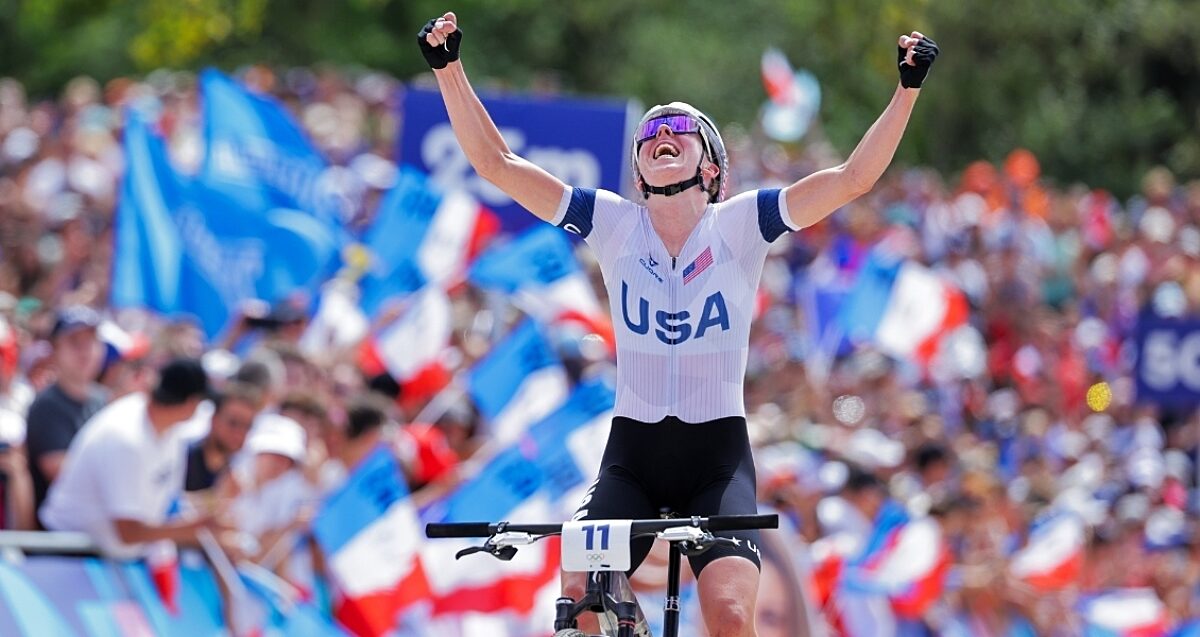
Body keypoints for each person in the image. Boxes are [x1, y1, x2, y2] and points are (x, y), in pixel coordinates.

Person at [418, 13, 939, 636]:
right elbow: (499, 164)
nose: (662, 131)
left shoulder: (742, 224)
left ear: (711, 171)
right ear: (639, 174)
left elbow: (853, 179)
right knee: (579, 597)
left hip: (717, 461)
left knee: (730, 616)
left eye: (680, 129)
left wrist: (906, 90)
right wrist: (448, 69)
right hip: (631, 458)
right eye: (651, 131)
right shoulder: (612, 222)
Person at [39, 358, 219, 559]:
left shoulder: (169, 430)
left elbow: (165, 502)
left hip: (105, 558)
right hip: (67, 554)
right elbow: (128, 532)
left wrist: (209, 507)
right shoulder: (125, 437)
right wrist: (192, 530)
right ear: (191, 403)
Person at [24, 305, 107, 518]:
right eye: (75, 343)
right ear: (54, 351)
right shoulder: (47, 406)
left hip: (97, 525)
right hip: (60, 532)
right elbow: (63, 475)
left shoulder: (104, 400)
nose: (85, 351)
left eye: (91, 342)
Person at [183, 381, 264, 493]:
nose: (240, 432)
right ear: (214, 419)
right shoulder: (182, 458)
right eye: (233, 423)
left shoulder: (236, 472)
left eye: (247, 426)